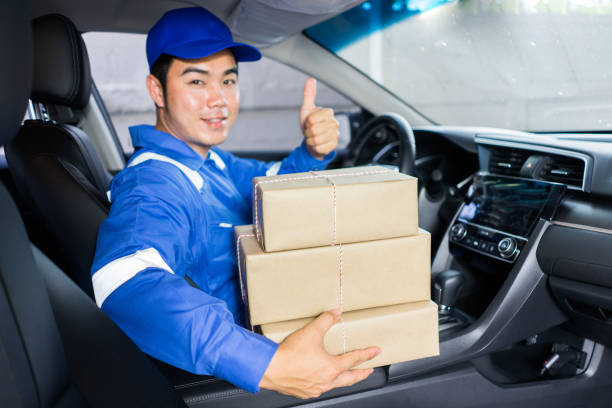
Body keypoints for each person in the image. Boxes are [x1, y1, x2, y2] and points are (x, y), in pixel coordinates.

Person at [91, 6, 379, 400]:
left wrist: (312, 152)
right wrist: (268, 365)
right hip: (233, 379)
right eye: (197, 81)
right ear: (157, 90)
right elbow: (125, 281)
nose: (219, 100)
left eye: (228, 81)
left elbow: (272, 186)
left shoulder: (210, 160)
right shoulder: (155, 181)